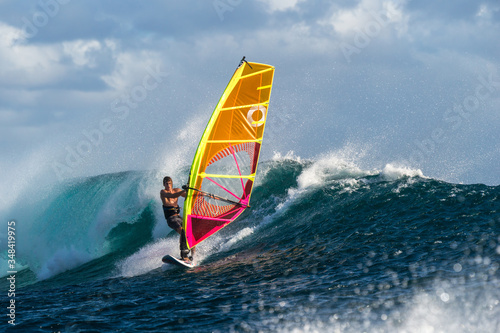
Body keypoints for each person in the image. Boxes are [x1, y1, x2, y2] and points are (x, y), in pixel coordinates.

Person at [160, 176, 195, 262]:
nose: (168, 185)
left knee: (190, 233)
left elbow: (188, 195)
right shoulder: (163, 192)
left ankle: (193, 256)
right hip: (171, 219)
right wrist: (184, 190)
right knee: (183, 231)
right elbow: (173, 195)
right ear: (164, 184)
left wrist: (193, 191)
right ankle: (184, 255)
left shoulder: (177, 190)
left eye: (169, 183)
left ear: (172, 184)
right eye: (166, 184)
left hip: (179, 217)